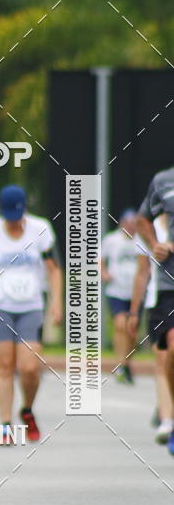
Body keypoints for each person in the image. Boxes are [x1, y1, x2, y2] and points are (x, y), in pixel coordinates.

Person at [0, 185, 62, 445]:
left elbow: (54, 270)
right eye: (8, 216)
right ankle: (5, 425)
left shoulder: (40, 229)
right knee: (4, 366)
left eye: (16, 215)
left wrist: (56, 302)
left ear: (24, 211)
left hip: (31, 305)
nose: (12, 221)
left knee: (30, 367)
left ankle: (27, 408)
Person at [137, 169, 174, 455]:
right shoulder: (162, 181)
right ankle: (169, 417)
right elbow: (143, 219)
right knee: (169, 353)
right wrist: (155, 245)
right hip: (167, 285)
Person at [128, 214, 173, 444]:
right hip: (159, 301)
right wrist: (134, 311)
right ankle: (168, 421)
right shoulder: (148, 228)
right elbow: (142, 272)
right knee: (163, 358)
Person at [101, 209, 138, 384]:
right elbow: (99, 259)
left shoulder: (141, 240)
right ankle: (120, 363)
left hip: (136, 292)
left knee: (131, 330)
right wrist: (104, 273)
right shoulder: (111, 240)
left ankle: (127, 362)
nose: (130, 227)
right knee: (120, 324)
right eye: (127, 223)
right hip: (116, 289)